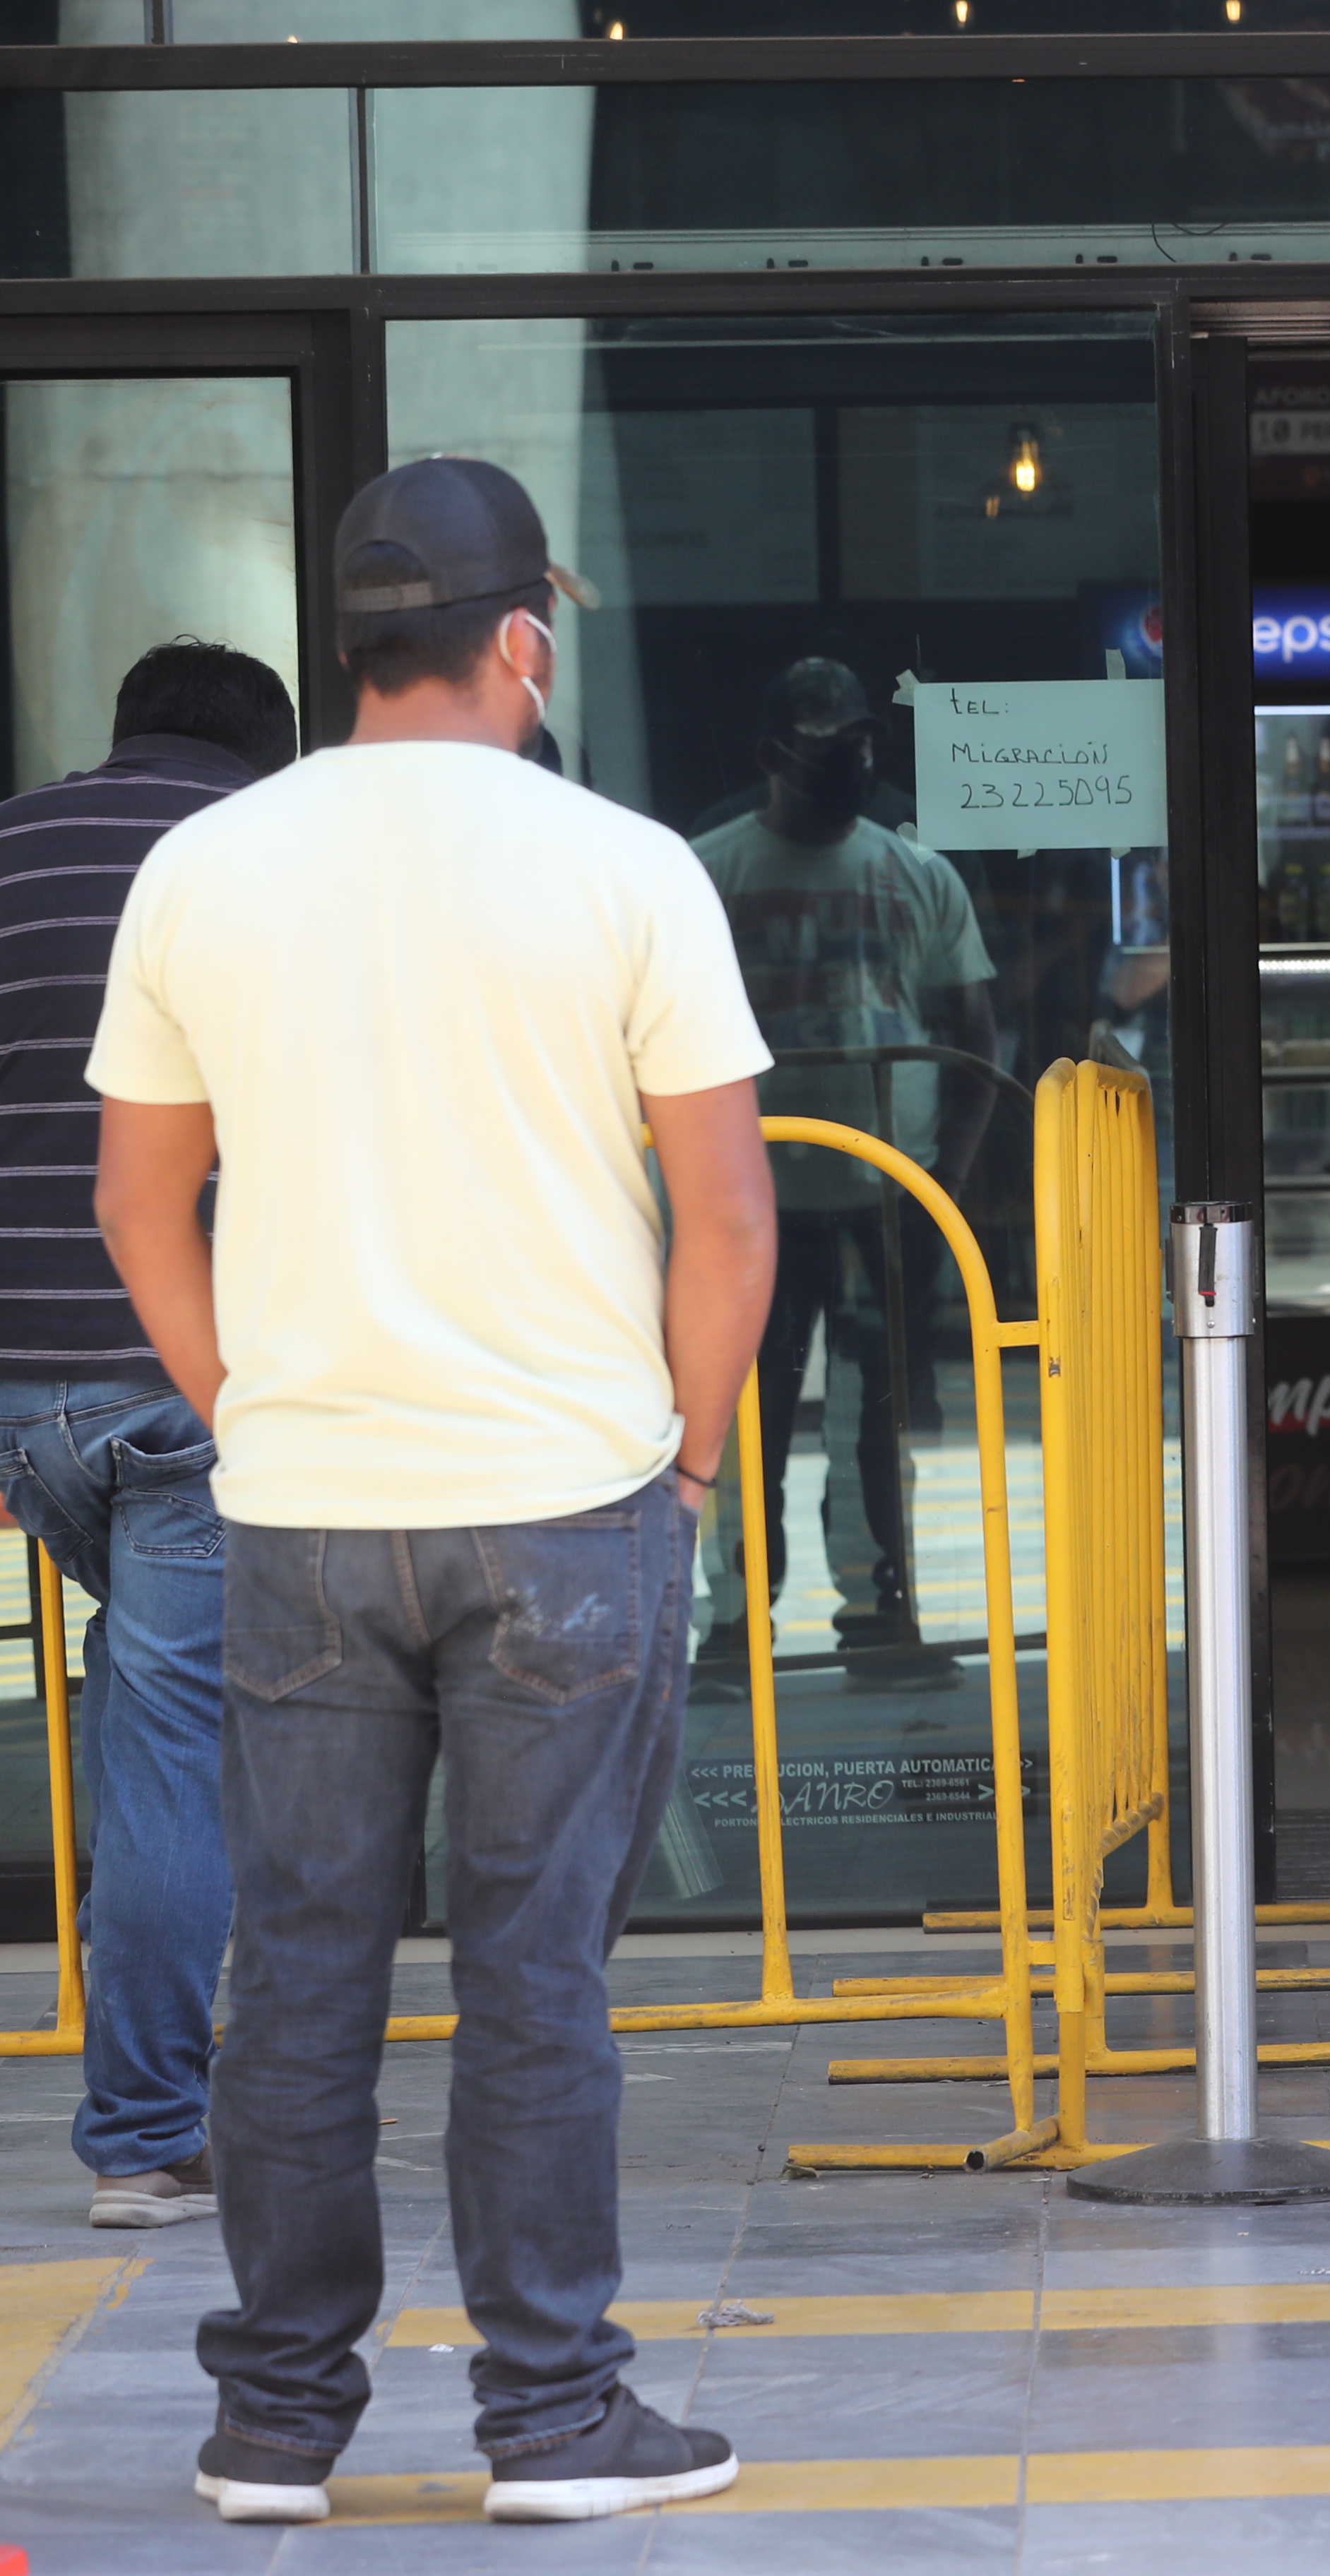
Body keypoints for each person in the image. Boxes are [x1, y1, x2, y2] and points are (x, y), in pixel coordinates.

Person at [88, 456, 778, 2524]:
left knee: (298, 1972)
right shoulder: (627, 864)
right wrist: (692, 1461)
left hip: (304, 1507)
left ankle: (275, 2423)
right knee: (531, 1976)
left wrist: (255, 1406)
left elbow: (142, 1202)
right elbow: (728, 1218)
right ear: (520, 643)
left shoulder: (207, 869)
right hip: (569, 1501)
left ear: (352, 647)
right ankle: (556, 2420)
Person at [0, 640, 293, 2231]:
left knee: (142, 1697)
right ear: (259, 756)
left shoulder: (11, 852)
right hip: (187, 1370)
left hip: (21, 1392)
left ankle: (154, 2091)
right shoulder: (256, 865)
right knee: (182, 1737)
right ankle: (141, 2136)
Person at [689, 658, 999, 1688]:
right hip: (756, 1210)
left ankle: (875, 1611)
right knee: (752, 1421)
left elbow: (974, 1051)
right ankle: (745, 1625)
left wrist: (934, 1188)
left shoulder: (917, 875)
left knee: (874, 1422)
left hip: (876, 1199)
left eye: (864, 742)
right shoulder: (706, 875)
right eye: (833, 746)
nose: (857, 761)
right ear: (776, 756)